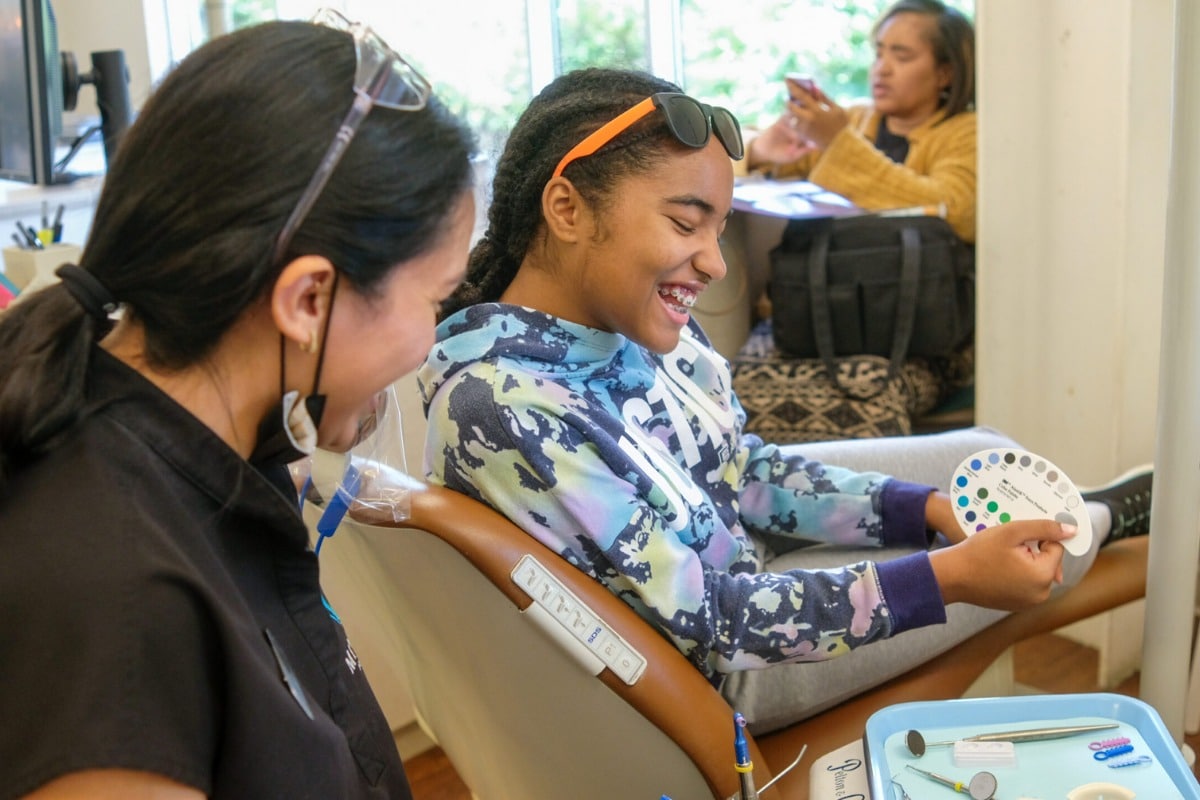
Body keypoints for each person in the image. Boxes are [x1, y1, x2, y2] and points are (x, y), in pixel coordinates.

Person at [419, 66, 1152, 735]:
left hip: (745, 559)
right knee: (1050, 557)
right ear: (567, 208)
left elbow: (745, 473)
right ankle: (1101, 517)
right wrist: (953, 574)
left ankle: (1063, 508)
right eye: (685, 222)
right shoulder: (505, 408)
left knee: (981, 457)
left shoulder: (625, 322)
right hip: (735, 669)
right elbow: (713, 622)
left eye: (718, 227)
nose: (712, 260)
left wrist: (925, 511)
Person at [0, 12, 476, 800]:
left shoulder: (212, 467)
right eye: (436, 297)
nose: (431, 341)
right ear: (308, 298)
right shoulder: (115, 601)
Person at [741, 0, 976, 243]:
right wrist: (760, 150)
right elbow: (744, 154)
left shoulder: (967, 131)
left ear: (944, 74)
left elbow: (956, 210)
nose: (881, 69)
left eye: (902, 57)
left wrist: (838, 142)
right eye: (878, 53)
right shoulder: (854, 118)